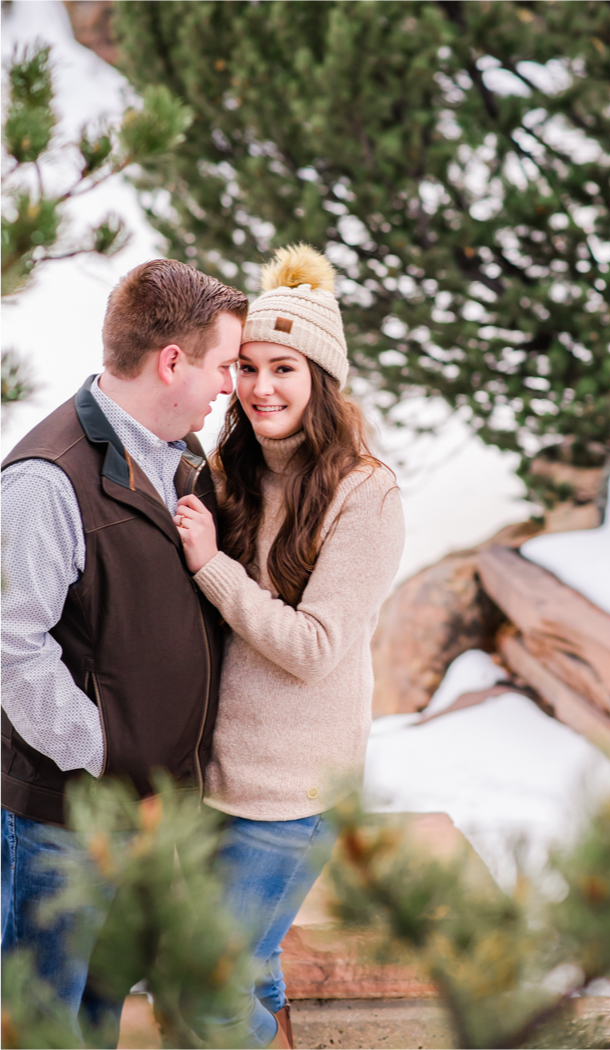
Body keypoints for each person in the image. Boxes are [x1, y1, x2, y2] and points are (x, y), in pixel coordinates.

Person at [1, 260, 247, 1033]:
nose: (231, 386)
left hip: (144, 813)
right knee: (45, 1020)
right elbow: (11, 646)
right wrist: (101, 750)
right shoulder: (47, 481)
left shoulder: (180, 454)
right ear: (172, 362)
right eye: (225, 365)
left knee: (102, 1012)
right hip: (67, 820)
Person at [172, 244, 404, 1049]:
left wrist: (214, 568)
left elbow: (313, 648)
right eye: (246, 367)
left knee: (206, 991)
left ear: (322, 381)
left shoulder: (365, 493)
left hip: (292, 794)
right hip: (219, 775)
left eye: (285, 369)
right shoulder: (233, 469)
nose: (262, 387)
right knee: (246, 963)